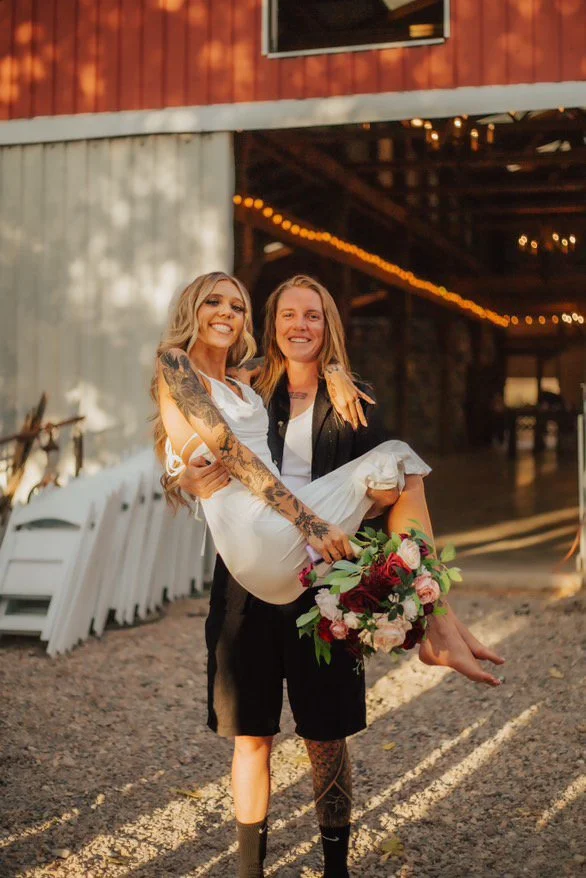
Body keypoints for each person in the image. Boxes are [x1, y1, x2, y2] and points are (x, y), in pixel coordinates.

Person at [155, 273, 504, 878]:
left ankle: (335, 868)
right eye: (286, 315)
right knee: (251, 733)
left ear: (329, 325)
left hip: (326, 577)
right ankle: (439, 623)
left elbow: (388, 498)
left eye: (313, 316)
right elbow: (194, 442)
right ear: (270, 326)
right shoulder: (247, 381)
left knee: (327, 731)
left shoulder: (352, 394)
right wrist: (178, 478)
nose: (299, 326)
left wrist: (337, 372)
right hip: (251, 575)